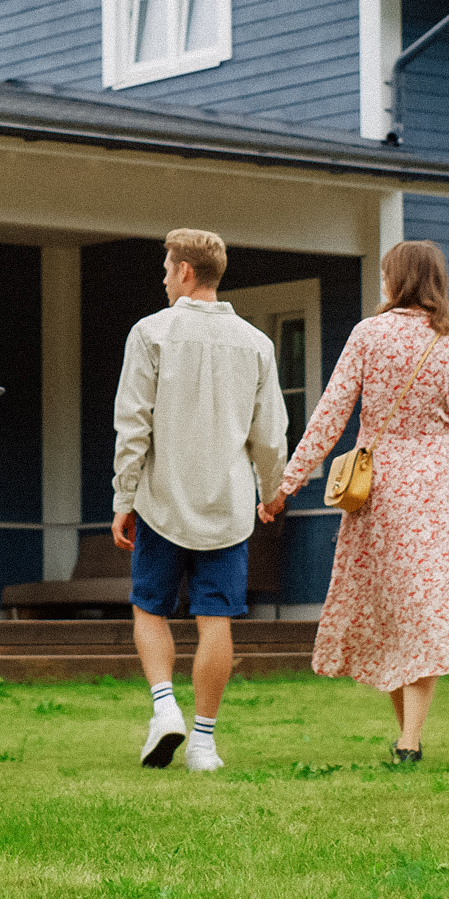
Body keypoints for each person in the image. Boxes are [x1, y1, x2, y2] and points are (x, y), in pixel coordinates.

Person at [259, 240, 449, 762]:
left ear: (396, 280)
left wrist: (286, 485)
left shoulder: (369, 334)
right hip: (436, 490)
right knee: (424, 614)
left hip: (377, 490)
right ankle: (410, 738)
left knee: (387, 612)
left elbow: (329, 417)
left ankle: (408, 739)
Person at [112, 229, 289, 772]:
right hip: (229, 507)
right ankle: (205, 744)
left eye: (167, 269)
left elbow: (133, 424)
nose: (164, 279)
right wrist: (272, 490)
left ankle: (164, 708)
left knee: (149, 609)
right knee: (217, 620)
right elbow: (271, 434)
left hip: (162, 500)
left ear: (186, 272)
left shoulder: (150, 333)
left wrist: (124, 495)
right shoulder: (258, 343)